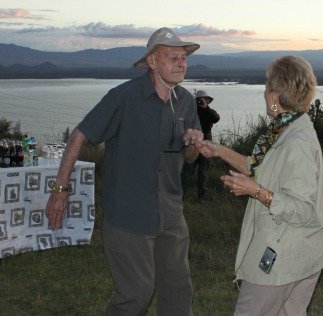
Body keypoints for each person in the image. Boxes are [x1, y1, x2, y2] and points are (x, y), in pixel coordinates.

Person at [44, 27, 204, 315]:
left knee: (179, 290)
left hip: (170, 211)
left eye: (184, 58)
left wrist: (194, 143)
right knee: (136, 294)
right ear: (152, 62)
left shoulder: (187, 102)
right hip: (129, 215)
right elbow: (78, 136)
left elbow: (190, 157)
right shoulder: (123, 97)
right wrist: (59, 190)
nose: (182, 63)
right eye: (173, 57)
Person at [199, 55, 323, 315]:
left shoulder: (297, 143)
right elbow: (258, 166)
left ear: (275, 96)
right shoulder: (284, 129)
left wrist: (255, 191)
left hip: (283, 256)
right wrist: (218, 150)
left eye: (267, 86)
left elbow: (304, 209)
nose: (264, 92)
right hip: (300, 253)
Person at [182, 90, 220, 201]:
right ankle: (180, 196)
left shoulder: (210, 112)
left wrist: (205, 108)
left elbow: (216, 118)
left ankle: (201, 198)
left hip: (206, 145)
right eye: (200, 99)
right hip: (193, 145)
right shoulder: (192, 111)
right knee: (187, 172)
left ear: (207, 101)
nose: (202, 101)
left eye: (204, 99)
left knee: (203, 172)